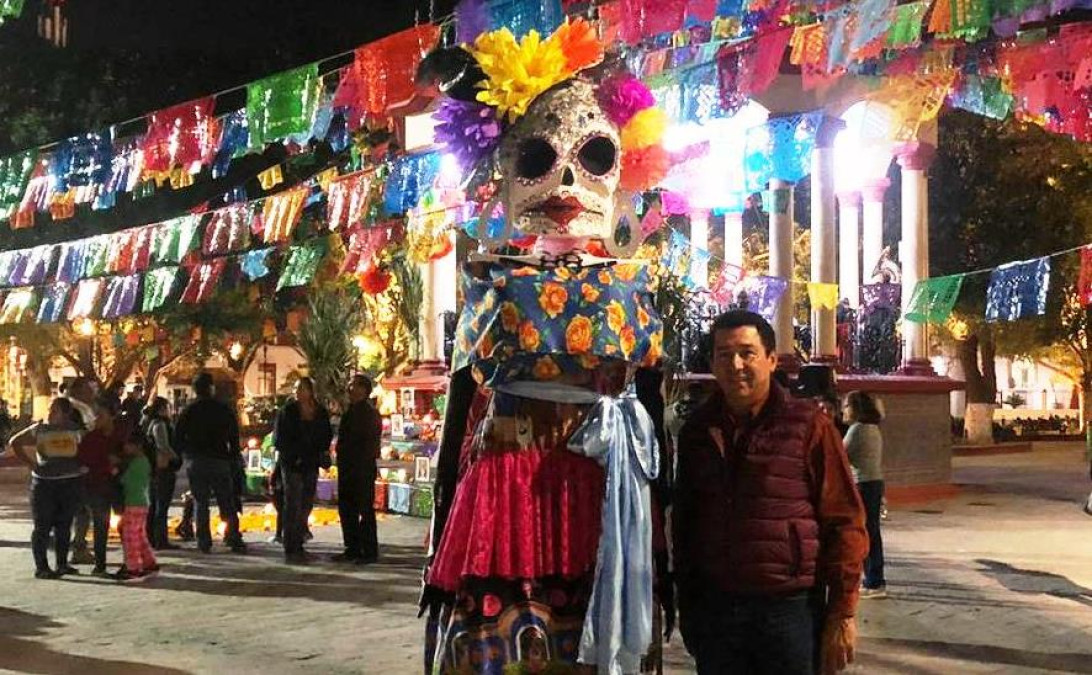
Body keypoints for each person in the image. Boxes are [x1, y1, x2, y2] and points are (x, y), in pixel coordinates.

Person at [673, 310, 868, 675]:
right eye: (723, 354)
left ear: (771, 359)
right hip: (717, 613)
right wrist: (688, 606)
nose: (735, 364)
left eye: (747, 352)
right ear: (712, 363)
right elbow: (685, 526)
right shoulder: (697, 432)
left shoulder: (808, 425)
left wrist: (842, 613)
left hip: (788, 612)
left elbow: (845, 520)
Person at [7, 398, 85, 579]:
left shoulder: (75, 430)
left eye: (54, 411)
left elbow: (86, 450)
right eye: (49, 410)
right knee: (42, 526)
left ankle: (62, 564)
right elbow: (15, 442)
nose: (49, 414)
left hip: (69, 482)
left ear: (66, 414)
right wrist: (31, 464)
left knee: (64, 526)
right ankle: (41, 567)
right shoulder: (39, 429)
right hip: (44, 483)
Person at [174, 372, 246, 554]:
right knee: (226, 500)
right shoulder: (222, 408)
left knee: (201, 501)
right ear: (211, 388)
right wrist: (234, 454)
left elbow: (178, 435)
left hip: (197, 460)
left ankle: (204, 540)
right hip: (219, 458)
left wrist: (186, 452)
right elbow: (233, 434)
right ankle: (232, 536)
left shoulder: (189, 410)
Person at [273, 377, 332, 564]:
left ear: (310, 391)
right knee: (292, 502)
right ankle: (291, 543)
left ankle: (300, 536)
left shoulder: (320, 412)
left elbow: (325, 435)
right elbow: (279, 439)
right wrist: (293, 453)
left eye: (301, 389)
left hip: (310, 462)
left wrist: (319, 451)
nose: (297, 392)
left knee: (306, 502)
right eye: (296, 389)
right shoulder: (288, 412)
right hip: (291, 463)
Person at [333, 374, 382, 564]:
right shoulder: (351, 411)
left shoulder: (368, 413)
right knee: (347, 508)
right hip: (348, 467)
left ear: (363, 389)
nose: (350, 389)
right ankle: (352, 546)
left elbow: (368, 443)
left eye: (354, 386)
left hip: (361, 468)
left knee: (364, 508)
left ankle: (368, 550)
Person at [843, 391, 886, 599]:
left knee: (866, 533)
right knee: (872, 531)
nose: (844, 410)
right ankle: (874, 578)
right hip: (874, 483)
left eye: (847, 406)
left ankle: (874, 581)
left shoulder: (857, 430)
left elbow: (841, 455)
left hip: (864, 485)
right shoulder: (872, 428)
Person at [76, 400, 125, 576]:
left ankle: (129, 562)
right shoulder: (91, 438)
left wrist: (119, 463)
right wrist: (107, 464)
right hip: (97, 486)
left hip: (119, 485)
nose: (97, 419)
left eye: (101, 415)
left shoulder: (121, 434)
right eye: (96, 415)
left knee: (124, 524)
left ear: (111, 416)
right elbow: (83, 461)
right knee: (100, 526)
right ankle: (100, 565)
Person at [115, 427, 158, 582]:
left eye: (128, 445)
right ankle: (148, 561)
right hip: (143, 502)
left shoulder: (136, 463)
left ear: (137, 445)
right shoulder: (145, 461)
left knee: (129, 536)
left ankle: (133, 567)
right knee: (139, 534)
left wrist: (117, 474)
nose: (125, 448)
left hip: (133, 502)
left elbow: (127, 481)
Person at [66, 376, 98, 565]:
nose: (93, 392)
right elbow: (80, 437)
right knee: (82, 510)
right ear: (78, 390)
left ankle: (75, 547)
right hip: (77, 467)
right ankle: (78, 548)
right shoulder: (75, 409)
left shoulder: (76, 407)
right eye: (89, 389)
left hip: (73, 466)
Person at [142, 396, 181, 550]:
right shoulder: (160, 425)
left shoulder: (147, 422)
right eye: (168, 408)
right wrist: (176, 457)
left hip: (153, 469)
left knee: (153, 505)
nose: (170, 411)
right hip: (162, 468)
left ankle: (151, 537)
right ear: (161, 409)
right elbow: (163, 446)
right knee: (161, 505)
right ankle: (160, 539)